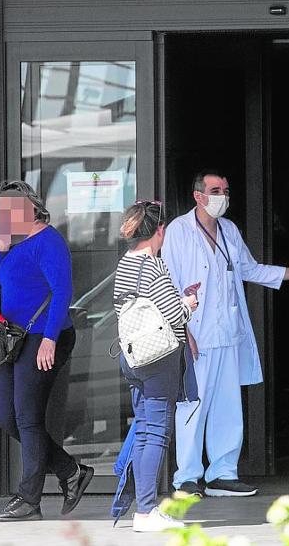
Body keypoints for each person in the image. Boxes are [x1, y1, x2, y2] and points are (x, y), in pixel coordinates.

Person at [163, 171, 289, 497]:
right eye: (215, 190)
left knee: (228, 408)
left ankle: (222, 474)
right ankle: (186, 478)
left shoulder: (229, 230)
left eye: (226, 190)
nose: (222, 196)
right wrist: (183, 331)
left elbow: (249, 269)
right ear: (198, 195)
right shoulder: (178, 231)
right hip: (196, 334)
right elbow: (169, 283)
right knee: (192, 407)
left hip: (228, 333)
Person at [0, 181, 93, 522]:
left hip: (43, 337)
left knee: (28, 418)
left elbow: (62, 292)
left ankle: (29, 499)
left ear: (32, 209)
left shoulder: (49, 242)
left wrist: (49, 339)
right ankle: (70, 471)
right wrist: (1, 247)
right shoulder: (16, 244)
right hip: (15, 339)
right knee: (6, 416)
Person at [110, 201, 199, 532]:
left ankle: (143, 508)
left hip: (133, 356)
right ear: (159, 231)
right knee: (156, 433)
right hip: (159, 359)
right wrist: (189, 303)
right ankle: (146, 511)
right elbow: (174, 315)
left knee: (145, 428)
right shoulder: (153, 268)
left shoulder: (124, 264)